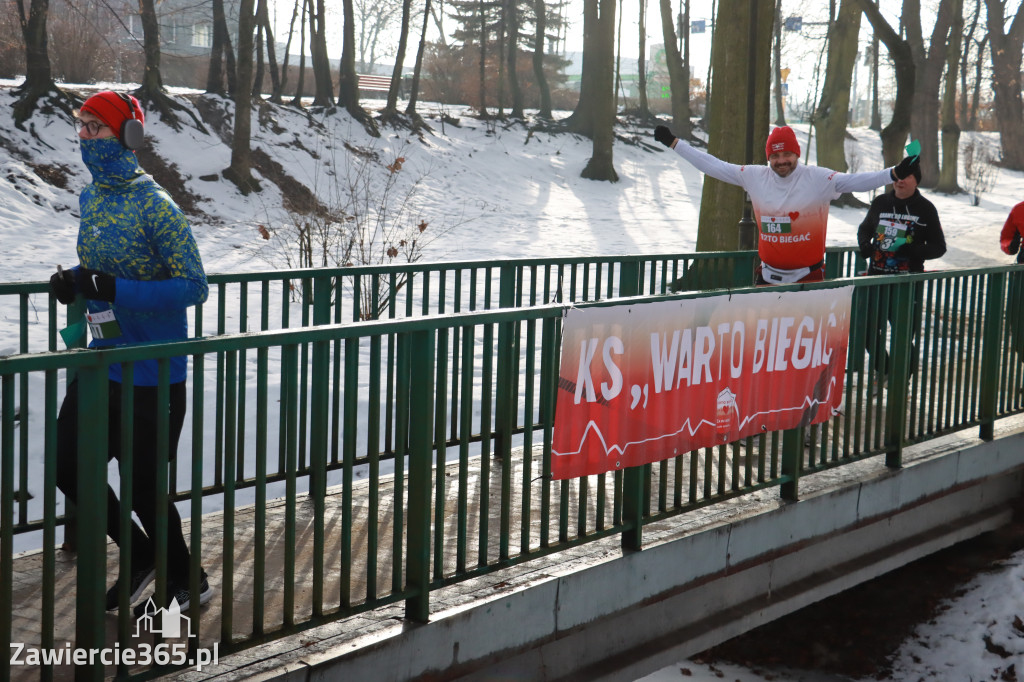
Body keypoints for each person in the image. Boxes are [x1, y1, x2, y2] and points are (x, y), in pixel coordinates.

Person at [49, 91, 212, 615]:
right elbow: (100, 270)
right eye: (82, 126)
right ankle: (142, 554)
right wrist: (77, 282)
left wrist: (113, 288)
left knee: (144, 489)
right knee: (70, 468)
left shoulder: (156, 205)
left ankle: (189, 581)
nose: (85, 137)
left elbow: (193, 286)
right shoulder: (91, 198)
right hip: (102, 360)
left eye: (96, 128)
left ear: (127, 136)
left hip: (153, 371)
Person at [653, 124, 921, 285]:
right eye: (775, 155)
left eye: (787, 154)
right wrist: (675, 144)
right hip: (767, 278)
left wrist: (893, 174)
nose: (781, 161)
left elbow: (856, 181)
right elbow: (713, 165)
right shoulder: (754, 177)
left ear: (797, 154)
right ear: (769, 156)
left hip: (808, 278)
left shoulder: (818, 179)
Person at [855, 163, 946, 384]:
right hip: (877, 279)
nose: (900, 180)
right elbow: (865, 229)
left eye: (906, 176)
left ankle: (900, 379)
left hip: (907, 283)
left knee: (903, 336)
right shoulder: (881, 202)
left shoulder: (925, 208)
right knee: (866, 331)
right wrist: (865, 245)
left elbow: (939, 246)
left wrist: (913, 250)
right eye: (897, 176)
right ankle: (885, 369)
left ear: (917, 180)